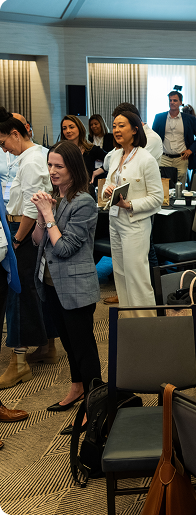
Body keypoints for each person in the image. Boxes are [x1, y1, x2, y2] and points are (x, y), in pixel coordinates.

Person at [31, 141, 101, 426]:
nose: (52, 171)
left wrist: (49, 216)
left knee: (84, 347)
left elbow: (64, 248)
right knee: (69, 345)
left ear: (74, 168)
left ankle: (95, 403)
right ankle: (77, 387)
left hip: (76, 286)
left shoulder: (83, 201)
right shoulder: (54, 196)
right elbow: (38, 241)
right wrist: (40, 214)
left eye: (59, 166)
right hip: (52, 284)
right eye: (50, 165)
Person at [0, 107, 50, 389]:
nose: (4, 150)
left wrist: (16, 239)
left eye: (4, 143)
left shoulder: (30, 161)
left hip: (25, 230)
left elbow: (31, 207)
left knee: (18, 294)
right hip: (28, 230)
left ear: (16, 134)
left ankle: (18, 363)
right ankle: (48, 347)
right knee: (35, 290)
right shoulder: (33, 155)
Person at [102, 112, 163, 316]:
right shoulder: (115, 155)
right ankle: (129, 322)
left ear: (135, 129)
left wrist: (130, 205)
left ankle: (146, 325)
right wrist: (107, 191)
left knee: (137, 277)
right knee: (120, 275)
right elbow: (108, 185)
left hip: (135, 224)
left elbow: (157, 198)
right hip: (115, 222)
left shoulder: (146, 159)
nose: (116, 130)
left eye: (121, 126)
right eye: (114, 126)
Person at [152, 90, 196, 187]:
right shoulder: (159, 117)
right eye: (170, 100)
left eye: (175, 100)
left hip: (181, 158)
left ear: (181, 103)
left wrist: (191, 150)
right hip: (164, 158)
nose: (172, 102)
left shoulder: (189, 119)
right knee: (163, 186)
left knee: (180, 187)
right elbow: (153, 137)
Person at [60, 115, 106, 198]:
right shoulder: (60, 151)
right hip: (66, 192)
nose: (68, 131)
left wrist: (96, 172)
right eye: (64, 128)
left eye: (71, 127)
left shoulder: (91, 149)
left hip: (87, 193)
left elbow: (110, 159)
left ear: (79, 128)